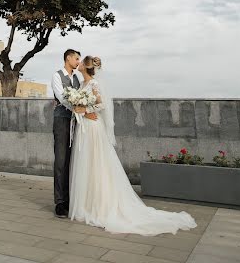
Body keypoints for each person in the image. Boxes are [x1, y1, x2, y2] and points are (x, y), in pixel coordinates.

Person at [69, 56, 197, 235]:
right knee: (86, 165)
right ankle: (86, 204)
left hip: (93, 128)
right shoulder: (82, 84)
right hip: (84, 129)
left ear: (88, 67)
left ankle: (101, 204)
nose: (79, 63)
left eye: (82, 62)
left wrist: (86, 110)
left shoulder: (94, 84)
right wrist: (78, 108)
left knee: (97, 165)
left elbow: (102, 104)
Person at [51, 49, 97, 218]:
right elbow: (62, 98)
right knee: (61, 160)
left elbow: (87, 92)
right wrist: (81, 110)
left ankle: (72, 199)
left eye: (79, 59)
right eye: (76, 58)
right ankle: (60, 202)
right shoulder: (57, 76)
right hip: (62, 121)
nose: (78, 62)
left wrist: (84, 111)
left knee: (74, 161)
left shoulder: (77, 79)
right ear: (68, 58)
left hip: (78, 122)